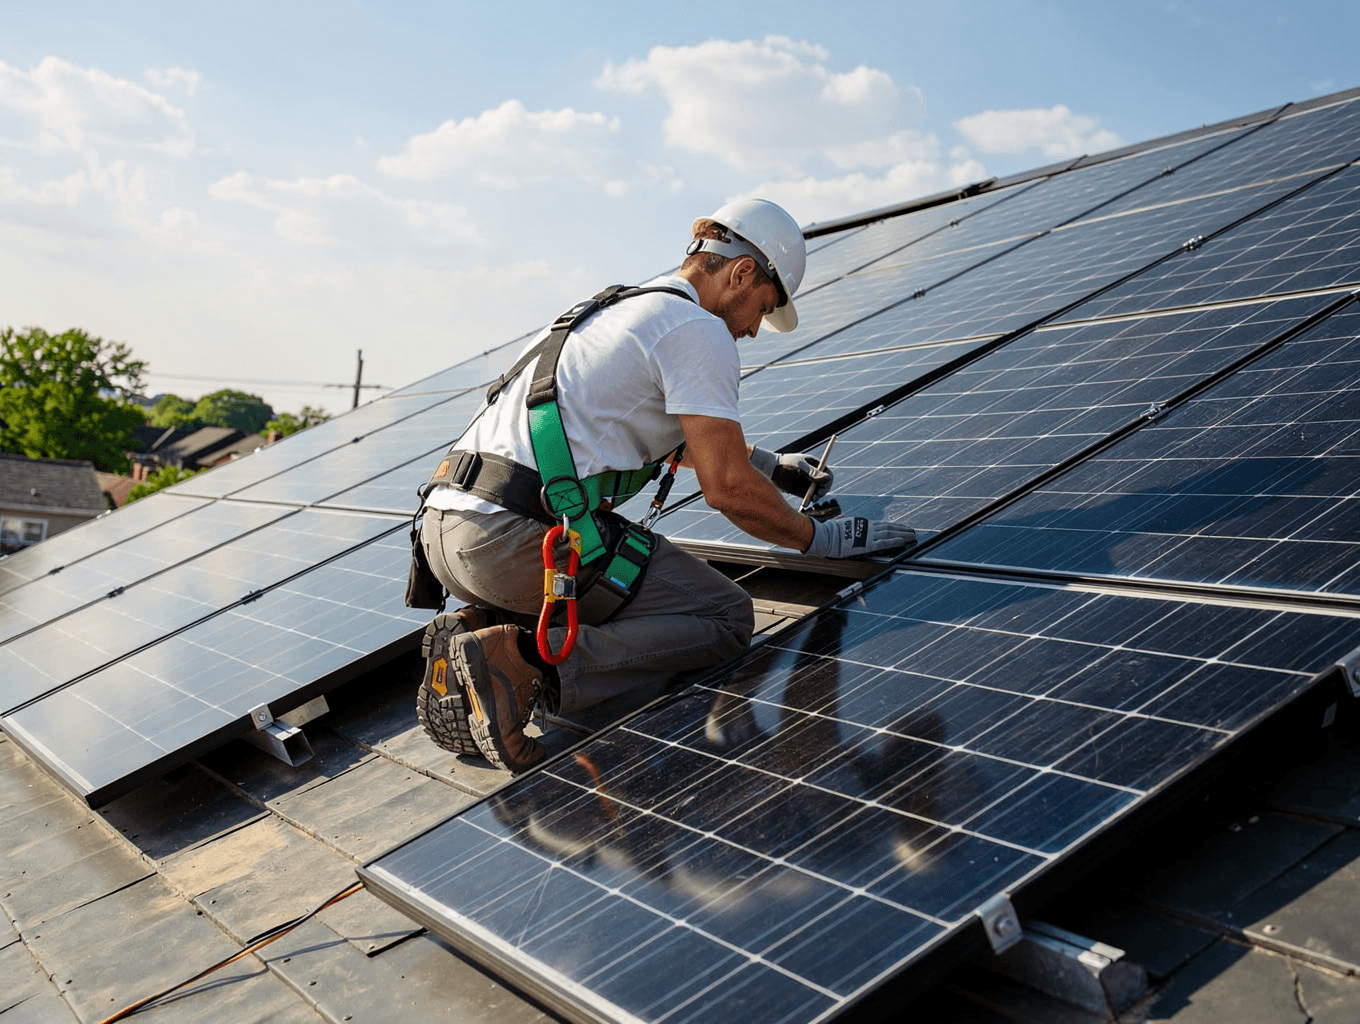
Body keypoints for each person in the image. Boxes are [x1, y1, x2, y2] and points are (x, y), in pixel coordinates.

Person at [416, 198, 916, 773]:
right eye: (762, 307)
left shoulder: (616, 309)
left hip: (447, 534)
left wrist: (773, 466)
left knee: (626, 577)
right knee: (723, 617)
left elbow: (657, 433)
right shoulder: (698, 331)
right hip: (510, 540)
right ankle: (523, 661)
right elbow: (724, 487)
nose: (755, 329)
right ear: (742, 272)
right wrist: (821, 540)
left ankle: (478, 631)